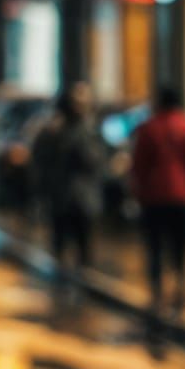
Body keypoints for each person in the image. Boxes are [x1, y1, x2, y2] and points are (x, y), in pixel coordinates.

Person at [129, 85, 185, 315]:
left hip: (154, 196)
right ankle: (180, 283)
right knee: (180, 243)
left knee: (155, 244)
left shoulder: (149, 128)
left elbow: (139, 164)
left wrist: (137, 190)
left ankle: (157, 290)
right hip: (182, 195)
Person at [30, 84, 105, 270]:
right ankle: (74, 275)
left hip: (64, 197)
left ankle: (68, 274)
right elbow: (93, 160)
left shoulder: (52, 131)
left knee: (65, 245)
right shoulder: (78, 132)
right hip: (75, 197)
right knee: (78, 247)